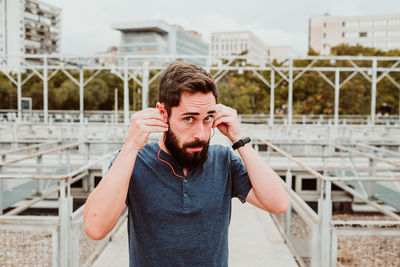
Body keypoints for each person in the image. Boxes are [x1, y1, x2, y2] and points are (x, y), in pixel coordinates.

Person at [83, 61, 290, 267]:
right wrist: (130, 147)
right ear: (163, 114)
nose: (201, 134)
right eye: (189, 119)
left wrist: (239, 140)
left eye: (208, 118)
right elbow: (95, 227)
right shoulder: (135, 161)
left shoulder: (223, 161)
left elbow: (278, 204)